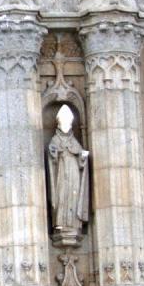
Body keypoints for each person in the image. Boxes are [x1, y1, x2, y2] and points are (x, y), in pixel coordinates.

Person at [47, 104, 89, 243]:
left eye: (69, 122)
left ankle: (74, 224)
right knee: (62, 196)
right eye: (64, 121)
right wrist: (54, 155)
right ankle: (60, 224)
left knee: (73, 195)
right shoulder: (55, 139)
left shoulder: (74, 140)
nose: (67, 124)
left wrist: (82, 158)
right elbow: (51, 157)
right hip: (61, 172)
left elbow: (79, 156)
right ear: (59, 123)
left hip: (73, 172)